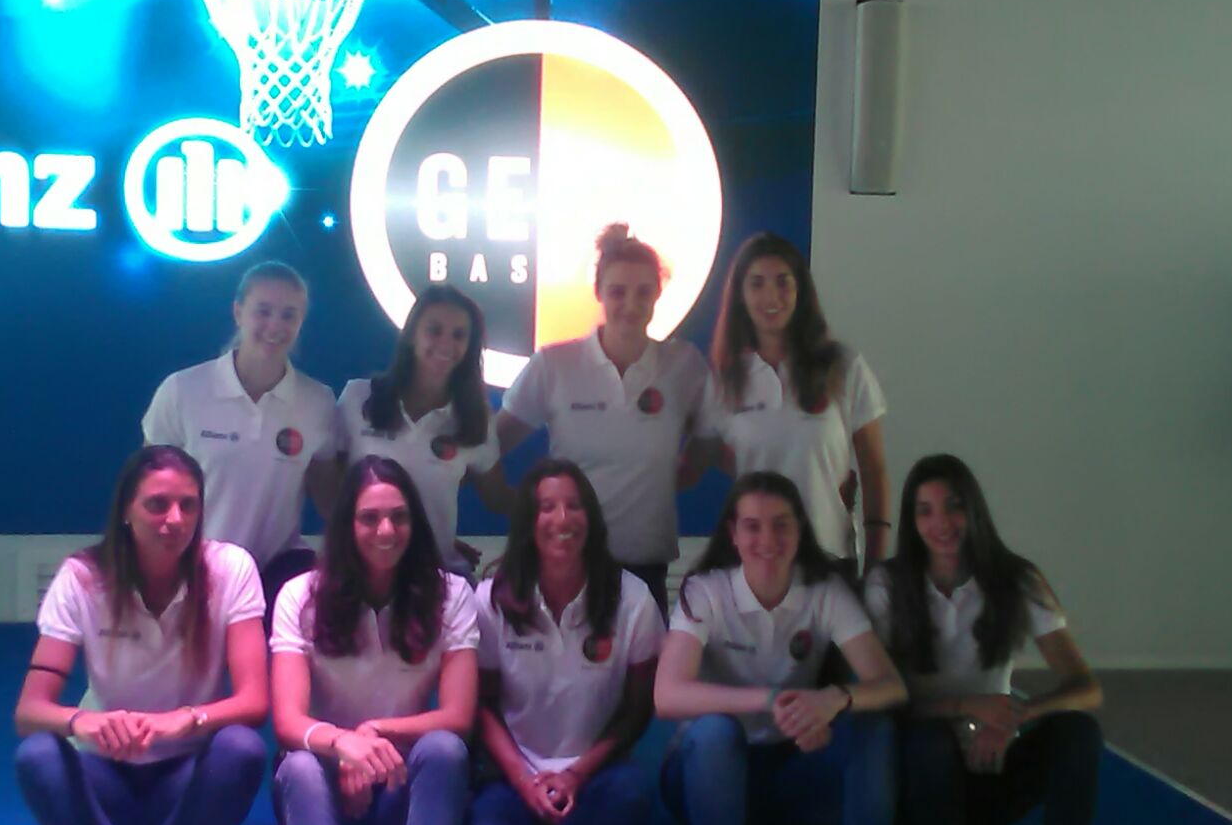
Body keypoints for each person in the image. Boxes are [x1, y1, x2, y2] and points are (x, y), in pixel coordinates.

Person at [14, 445, 269, 825]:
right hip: (104, 783)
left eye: (188, 505)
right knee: (37, 757)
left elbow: (254, 700)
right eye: (157, 504)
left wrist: (185, 720)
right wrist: (82, 723)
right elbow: (30, 710)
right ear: (126, 510)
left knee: (243, 751)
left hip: (186, 791)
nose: (174, 519)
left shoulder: (230, 569)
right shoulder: (83, 577)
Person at [654, 471, 908, 825]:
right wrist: (772, 701)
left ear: (800, 531)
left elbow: (890, 686)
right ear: (733, 533)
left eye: (781, 525)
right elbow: (668, 695)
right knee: (715, 734)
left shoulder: (825, 592)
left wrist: (832, 700)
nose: (766, 539)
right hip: (706, 779)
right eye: (752, 526)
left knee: (875, 728)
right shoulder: (706, 591)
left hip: (789, 770)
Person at [864, 454, 1103, 825]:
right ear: (911, 521)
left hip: (989, 768)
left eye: (953, 506)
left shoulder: (1017, 580)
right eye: (925, 510)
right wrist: (967, 708)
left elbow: (1085, 685)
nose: (941, 522)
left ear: (974, 509)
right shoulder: (888, 585)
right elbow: (880, 702)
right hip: (918, 787)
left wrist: (1017, 717)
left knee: (1079, 732)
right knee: (927, 744)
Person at [459, 459, 686, 825]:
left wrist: (577, 774)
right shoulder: (491, 598)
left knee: (631, 798)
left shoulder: (632, 598)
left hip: (598, 778)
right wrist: (524, 780)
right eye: (546, 507)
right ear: (528, 521)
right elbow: (481, 707)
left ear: (592, 517)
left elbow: (637, 710)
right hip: (513, 777)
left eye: (574, 506)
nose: (561, 519)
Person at [271, 456, 478, 825]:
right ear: (346, 523)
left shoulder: (451, 594)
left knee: (446, 750)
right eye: (369, 517)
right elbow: (287, 720)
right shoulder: (300, 594)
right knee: (297, 768)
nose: (386, 530)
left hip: (399, 788)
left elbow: (458, 715)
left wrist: (371, 735)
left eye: (399, 516)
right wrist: (342, 745)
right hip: (322, 795)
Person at [498, 223, 714, 612]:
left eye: (643, 292)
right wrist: (519, 507)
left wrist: (673, 474)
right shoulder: (555, 364)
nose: (631, 304)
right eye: (618, 291)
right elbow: (490, 444)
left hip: (646, 564)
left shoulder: (683, 366)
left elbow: (710, 438)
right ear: (598, 292)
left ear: (658, 294)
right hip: (566, 564)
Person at [143, 261, 339, 600]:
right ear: (238, 312)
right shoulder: (183, 390)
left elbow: (330, 499)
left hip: (275, 577)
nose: (275, 325)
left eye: (288, 315)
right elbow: (146, 488)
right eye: (263, 311)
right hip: (194, 574)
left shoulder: (317, 402)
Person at [699, 233, 889, 572]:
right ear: (740, 295)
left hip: (829, 558)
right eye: (757, 283)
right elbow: (706, 458)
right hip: (757, 566)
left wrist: (876, 566)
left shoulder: (843, 367)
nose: (771, 296)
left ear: (800, 290)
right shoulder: (723, 379)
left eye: (782, 282)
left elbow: (873, 469)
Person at [337, 284, 513, 576]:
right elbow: (334, 488)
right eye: (434, 330)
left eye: (459, 335)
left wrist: (561, 503)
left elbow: (498, 498)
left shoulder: (475, 416)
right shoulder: (357, 398)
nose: (446, 343)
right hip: (363, 573)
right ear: (411, 335)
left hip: (436, 573)